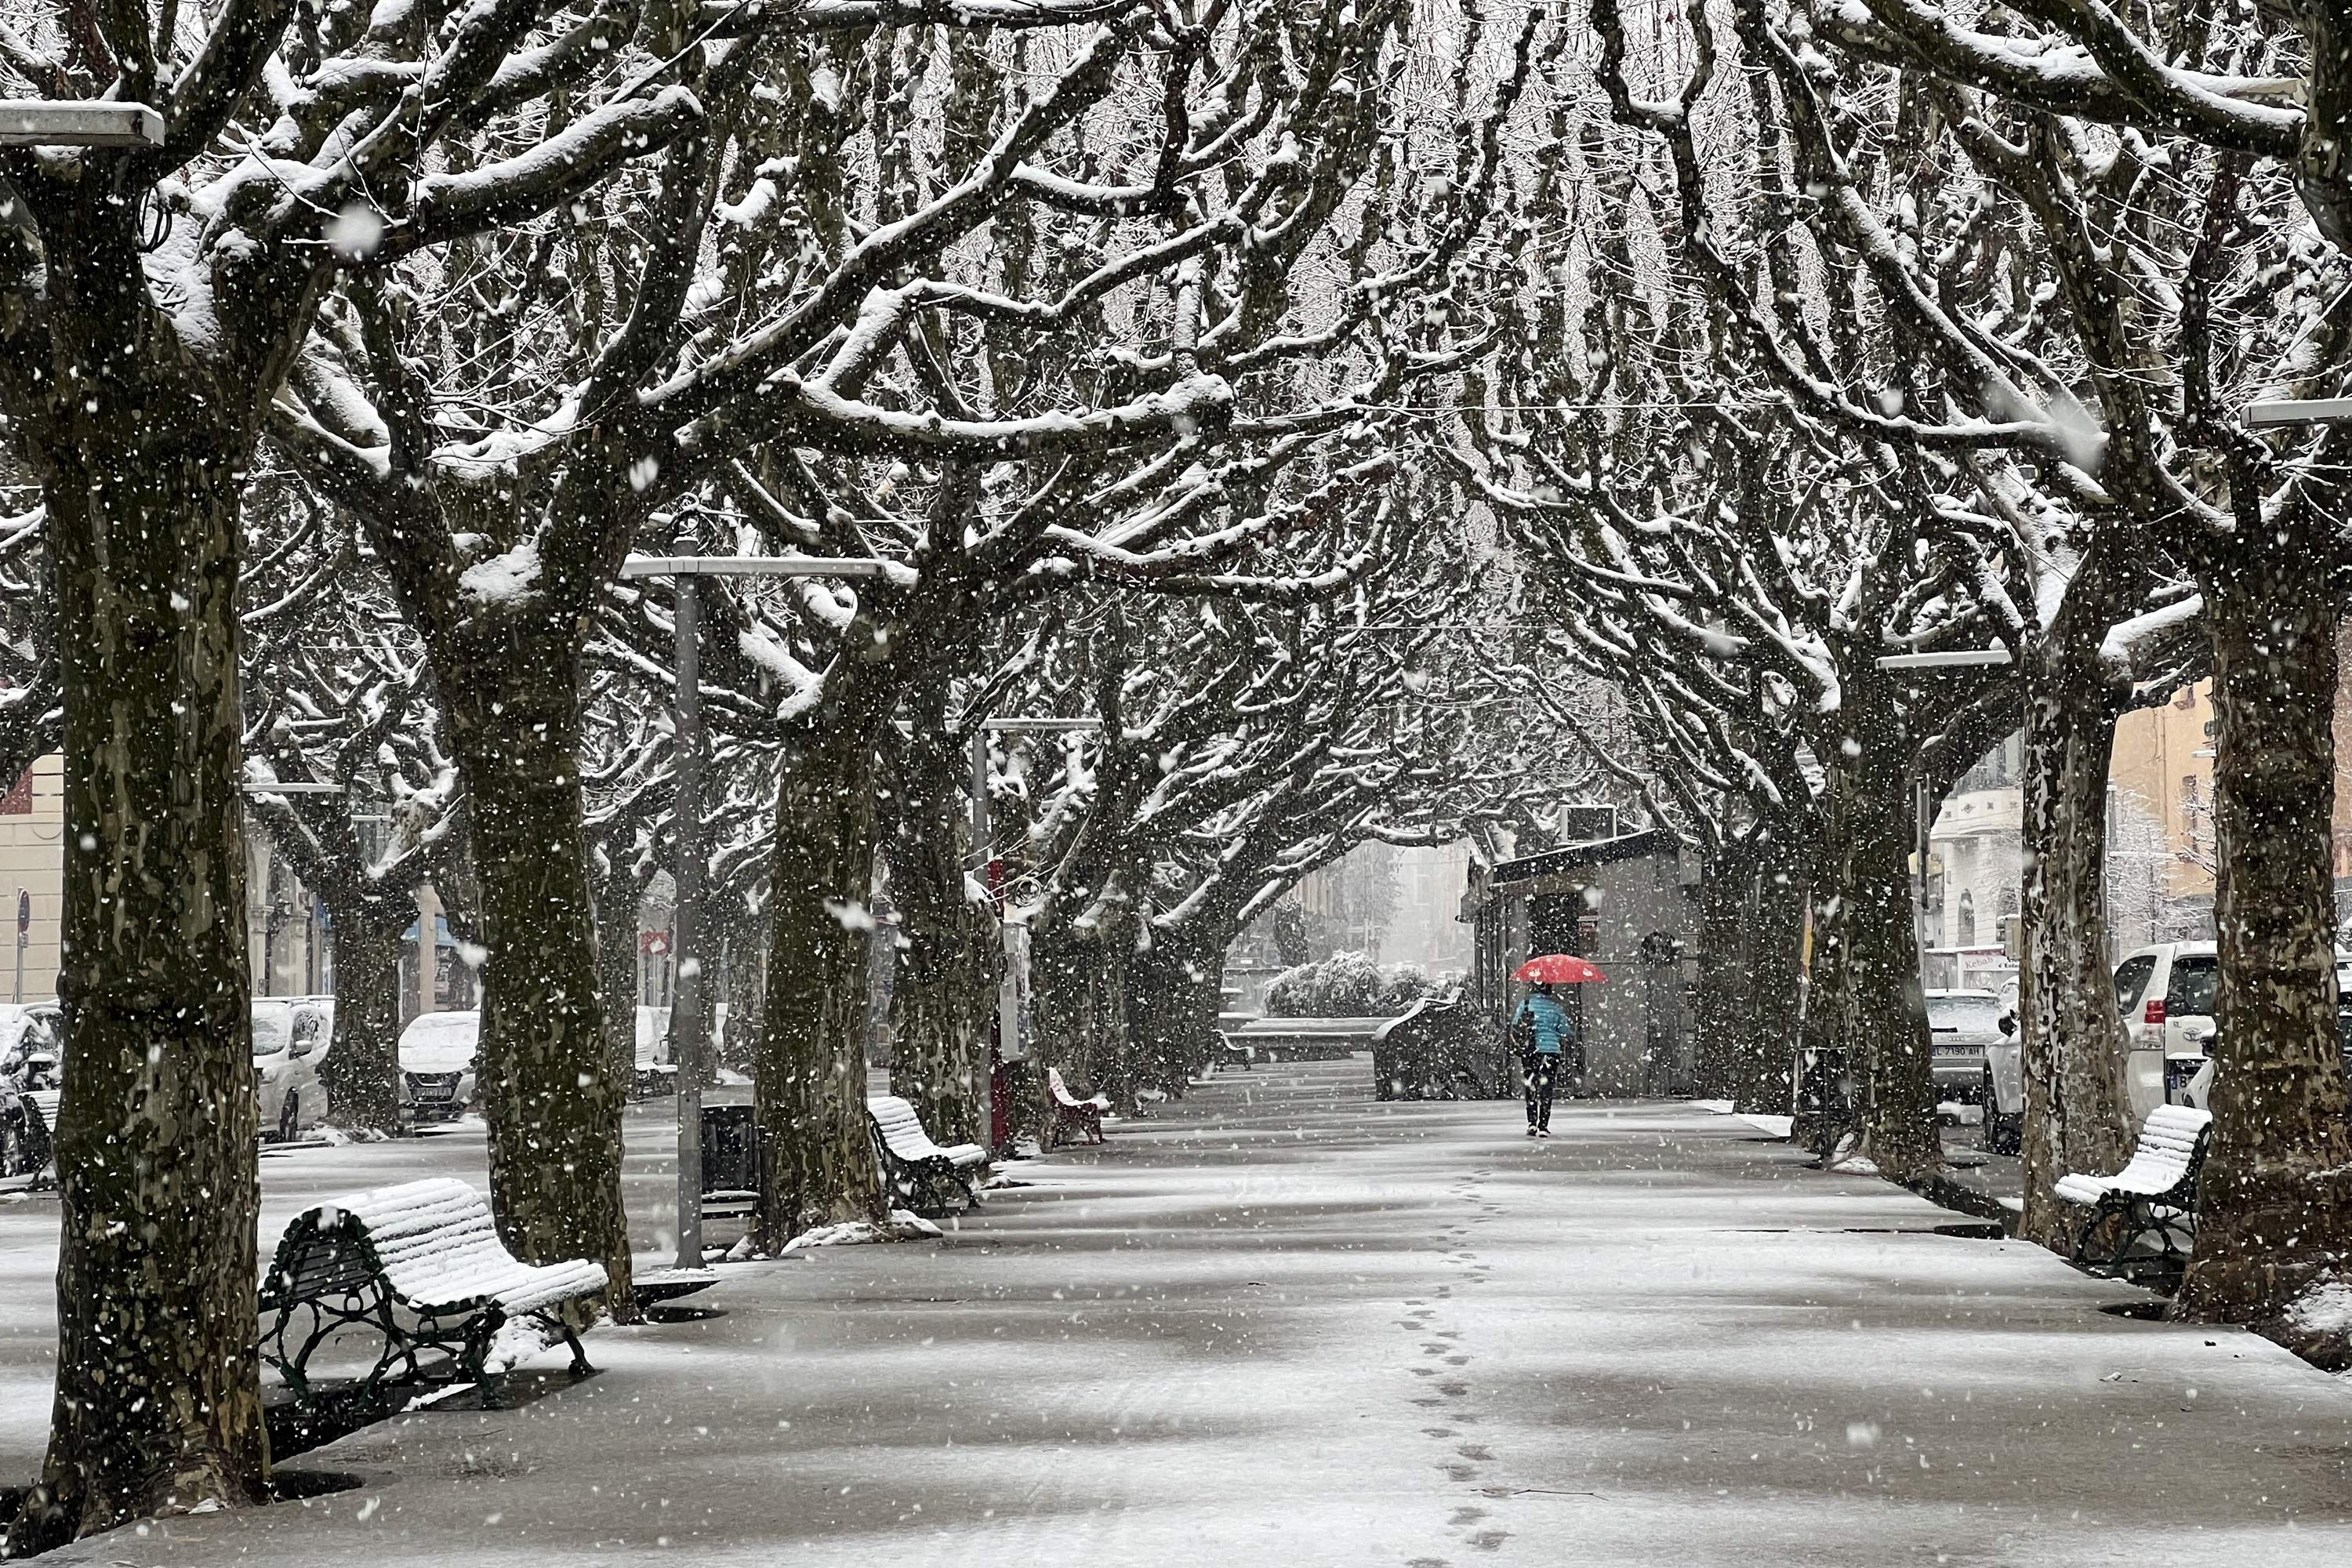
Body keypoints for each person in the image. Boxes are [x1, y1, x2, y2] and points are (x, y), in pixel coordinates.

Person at [1510, 982, 1575, 1137]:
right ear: (1549, 990)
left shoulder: (1525, 1005)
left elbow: (1515, 1025)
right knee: (1547, 1088)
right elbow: (1565, 1031)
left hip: (1531, 1051)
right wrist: (1555, 1034)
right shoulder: (1555, 1007)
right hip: (1551, 1051)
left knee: (1531, 1085)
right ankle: (1543, 1126)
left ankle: (1532, 1123)